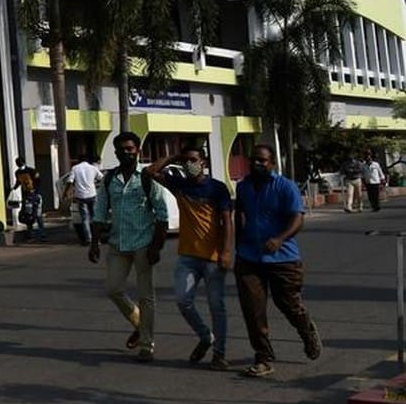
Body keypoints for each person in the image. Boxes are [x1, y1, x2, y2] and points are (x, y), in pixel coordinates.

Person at [235, 144, 321, 379]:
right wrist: (236, 245)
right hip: (249, 257)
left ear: (272, 163)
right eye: (254, 160)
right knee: (253, 310)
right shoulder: (243, 187)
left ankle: (306, 329)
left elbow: (298, 218)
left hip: (283, 258)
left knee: (288, 304)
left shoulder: (285, 186)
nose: (257, 164)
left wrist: (280, 239)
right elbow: (239, 214)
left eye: (262, 160)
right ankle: (263, 358)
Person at [148, 145, 234, 370]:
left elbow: (227, 221)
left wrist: (226, 252)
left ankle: (219, 354)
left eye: (194, 160)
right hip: (187, 256)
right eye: (186, 161)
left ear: (203, 162)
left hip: (213, 258)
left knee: (217, 306)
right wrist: (174, 156)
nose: (190, 164)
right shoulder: (180, 185)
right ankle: (206, 337)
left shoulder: (217, 188)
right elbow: (149, 172)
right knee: (183, 301)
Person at [89, 131, 167, 361]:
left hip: (144, 243)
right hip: (118, 244)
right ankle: (138, 323)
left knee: (146, 296)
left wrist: (156, 247)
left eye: (130, 149)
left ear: (138, 151)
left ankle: (147, 344)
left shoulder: (147, 177)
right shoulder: (110, 178)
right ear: (115, 152)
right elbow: (100, 210)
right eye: (122, 149)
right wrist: (94, 242)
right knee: (113, 289)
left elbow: (162, 213)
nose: (126, 152)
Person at [65, 154, 101, 245]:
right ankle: (97, 239)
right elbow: (101, 178)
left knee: (85, 219)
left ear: (78, 160)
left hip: (81, 196)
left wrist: (65, 192)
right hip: (92, 194)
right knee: (95, 218)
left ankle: (89, 239)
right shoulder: (93, 168)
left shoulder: (75, 168)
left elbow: (69, 181)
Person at [11, 157, 45, 243]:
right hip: (27, 195)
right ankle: (30, 234)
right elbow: (18, 182)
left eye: (20, 163)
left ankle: (42, 234)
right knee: (28, 215)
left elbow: (38, 181)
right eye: (17, 163)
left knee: (37, 214)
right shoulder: (18, 172)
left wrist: (37, 192)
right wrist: (14, 189)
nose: (19, 165)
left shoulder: (31, 171)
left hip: (35, 194)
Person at [362, 149, 385, 213]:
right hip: (368, 182)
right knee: (370, 196)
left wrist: (382, 179)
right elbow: (363, 175)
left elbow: (380, 172)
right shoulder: (363, 165)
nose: (369, 160)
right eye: (367, 159)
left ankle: (377, 206)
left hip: (375, 182)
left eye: (370, 159)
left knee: (376, 195)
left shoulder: (376, 164)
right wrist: (363, 182)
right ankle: (373, 206)